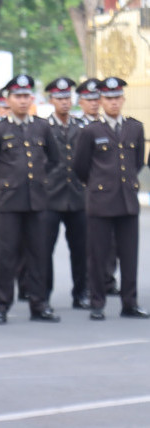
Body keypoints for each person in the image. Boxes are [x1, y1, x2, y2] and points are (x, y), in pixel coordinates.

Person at [0, 74, 60, 325]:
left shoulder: (42, 126)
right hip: (9, 201)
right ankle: (1, 305)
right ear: (8, 99)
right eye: (18, 96)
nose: (23, 101)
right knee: (7, 254)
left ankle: (39, 303)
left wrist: (41, 179)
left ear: (32, 98)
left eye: (26, 96)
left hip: (36, 200)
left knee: (38, 253)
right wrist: (5, 180)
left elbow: (54, 159)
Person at [73, 76, 148, 321]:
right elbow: (81, 167)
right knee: (98, 255)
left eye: (117, 98)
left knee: (129, 255)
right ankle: (97, 303)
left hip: (127, 200)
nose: (113, 103)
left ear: (123, 100)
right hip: (100, 201)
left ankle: (130, 303)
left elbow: (136, 163)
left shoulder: (134, 128)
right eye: (108, 98)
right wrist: (98, 185)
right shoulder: (90, 131)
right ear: (101, 100)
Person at [42, 78, 89, 310]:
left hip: (77, 196)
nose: (64, 103)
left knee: (81, 250)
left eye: (67, 98)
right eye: (59, 98)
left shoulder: (81, 127)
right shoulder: (42, 127)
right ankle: (44, 297)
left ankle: (81, 293)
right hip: (50, 196)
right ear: (51, 100)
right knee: (44, 251)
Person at [76, 78, 121, 296]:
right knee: (90, 240)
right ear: (81, 102)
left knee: (111, 241)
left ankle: (107, 279)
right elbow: (78, 163)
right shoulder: (79, 128)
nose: (93, 104)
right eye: (89, 100)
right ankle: (88, 283)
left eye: (96, 99)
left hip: (110, 191)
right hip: (85, 189)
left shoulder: (114, 127)